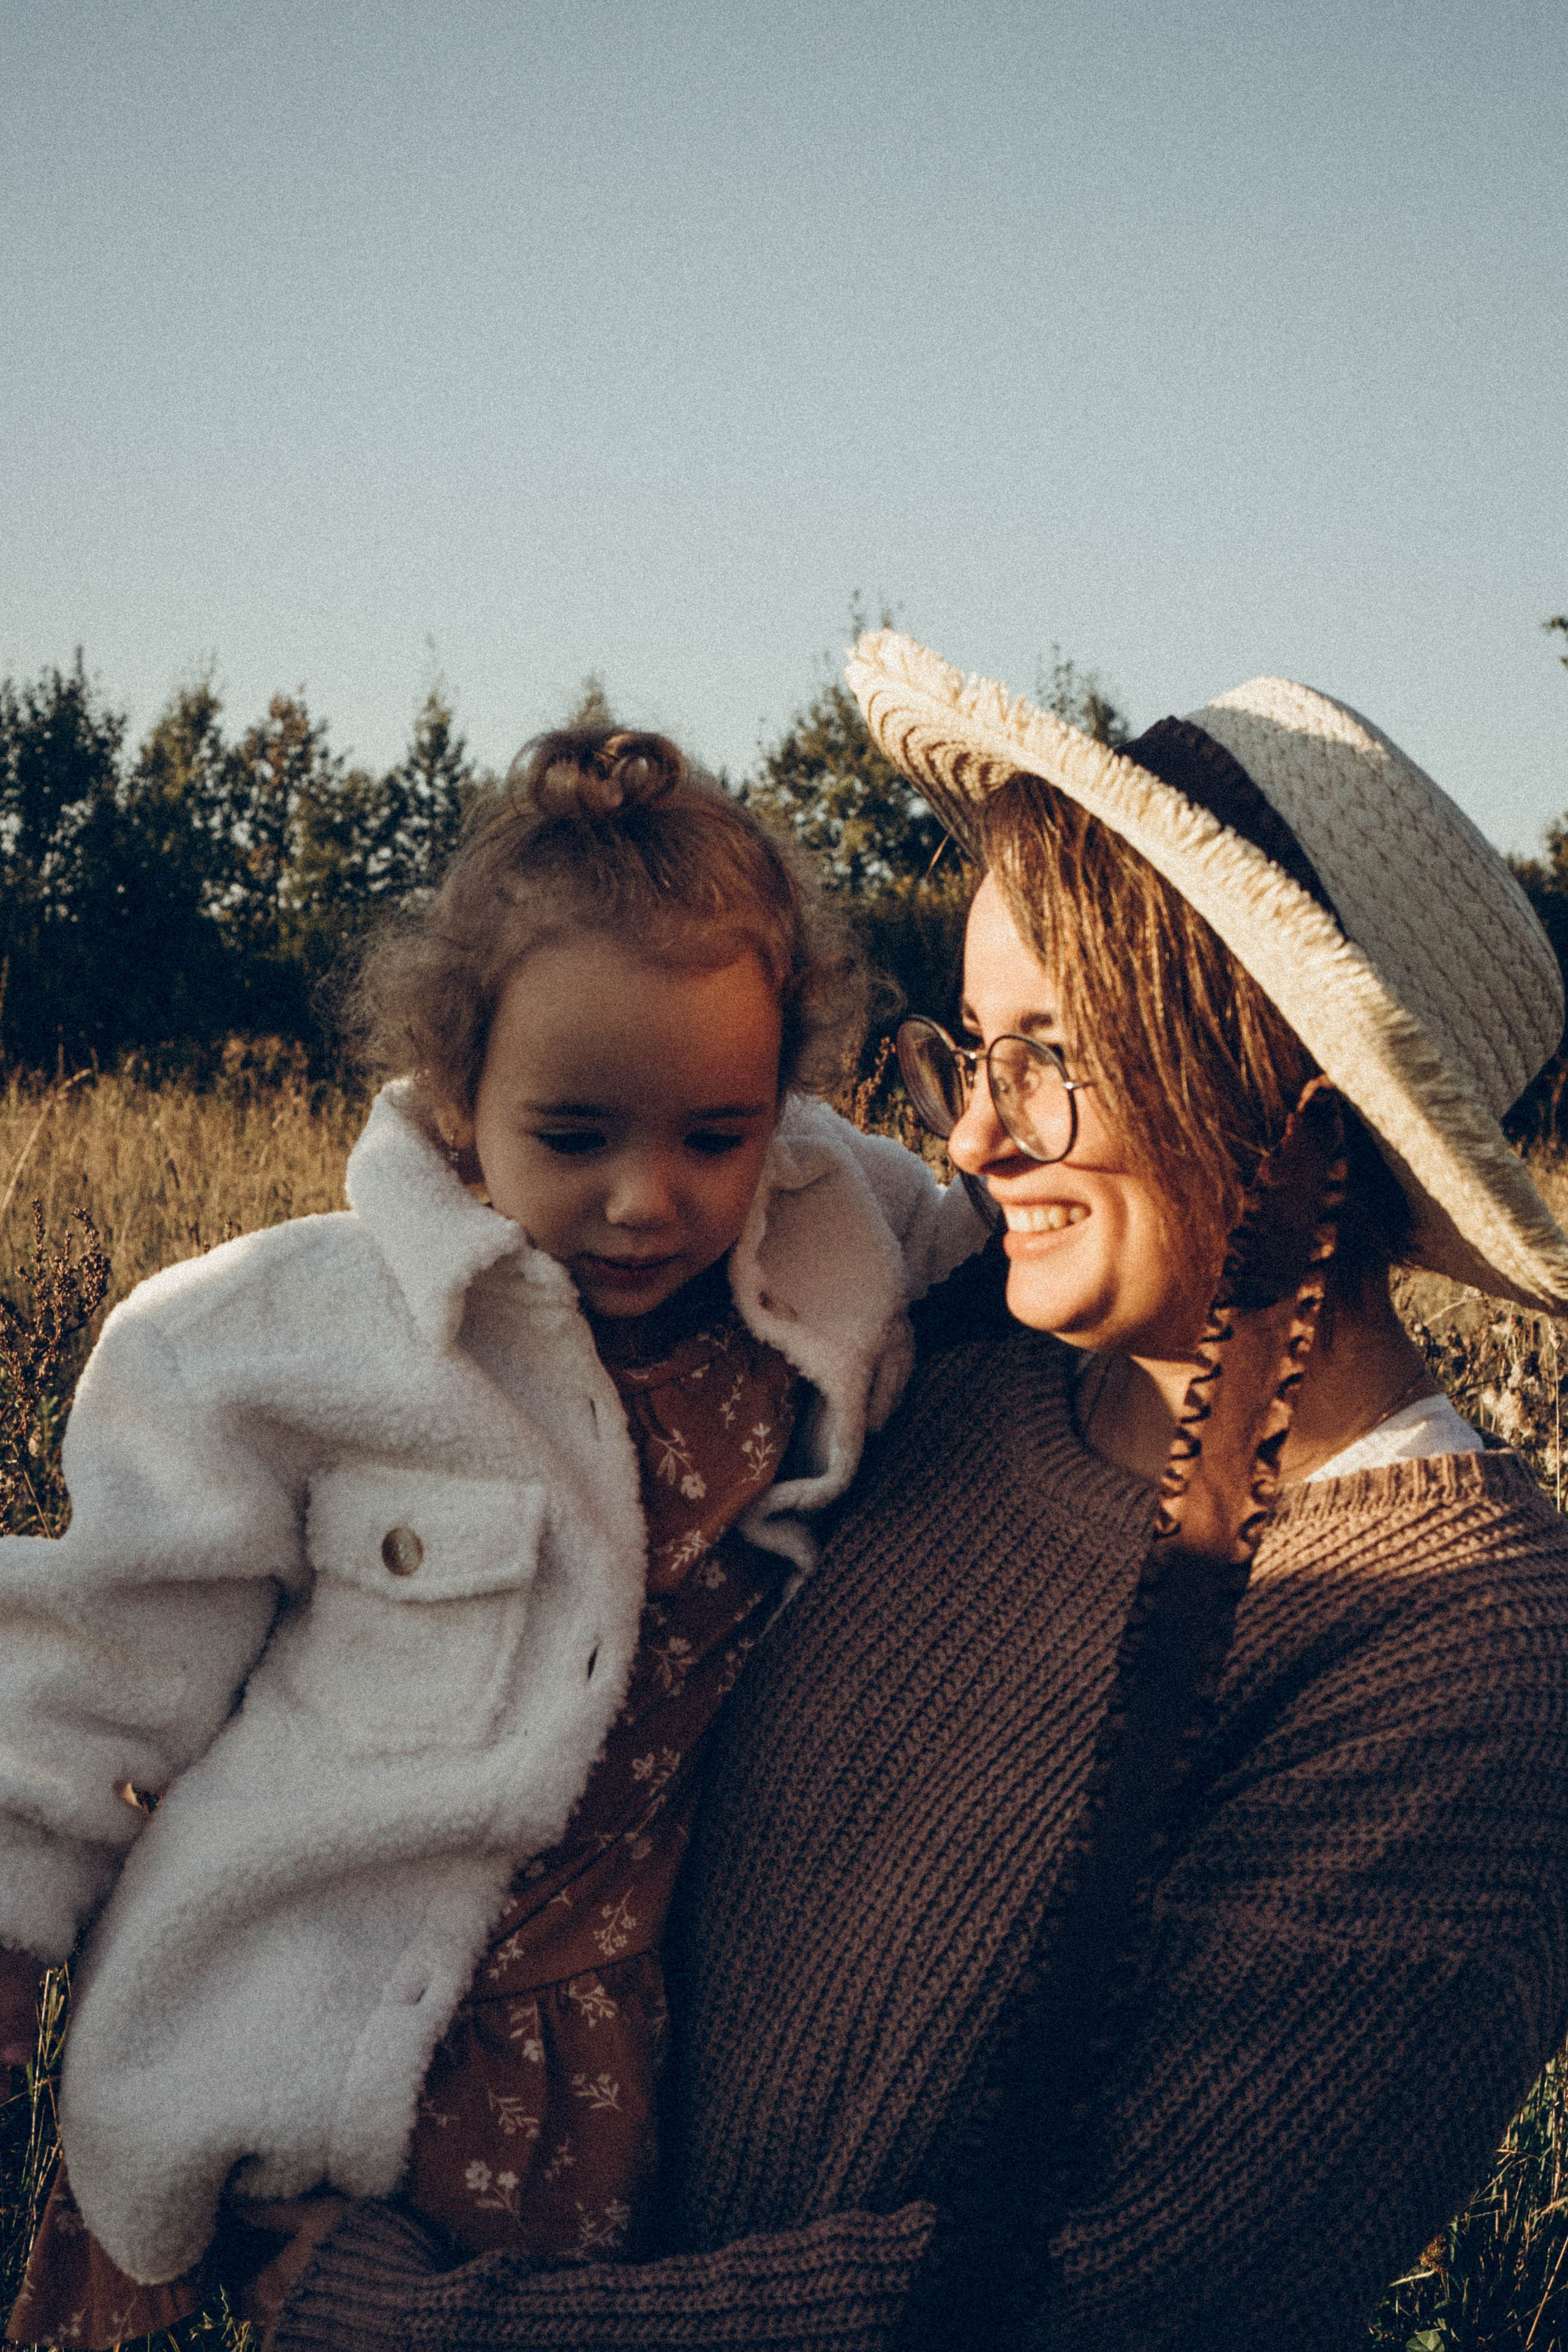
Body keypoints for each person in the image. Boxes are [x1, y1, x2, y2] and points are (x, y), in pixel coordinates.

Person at [263, 636, 1568, 2352]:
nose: (976, 1141)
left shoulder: (1461, 1653)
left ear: (1288, 1096)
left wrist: (407, 2325)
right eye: (975, 1049)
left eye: (1054, 1057)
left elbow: (1127, 2293)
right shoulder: (931, 1357)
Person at [0, 723, 982, 2349]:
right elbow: (102, 1653)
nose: (648, 1200)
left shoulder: (840, 1243)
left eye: (714, 1136)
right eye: (577, 1136)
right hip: (281, 2032)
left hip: (606, 2074)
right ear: (462, 1096)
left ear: (785, 1104)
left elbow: (1014, 1252)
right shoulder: (302, 1337)